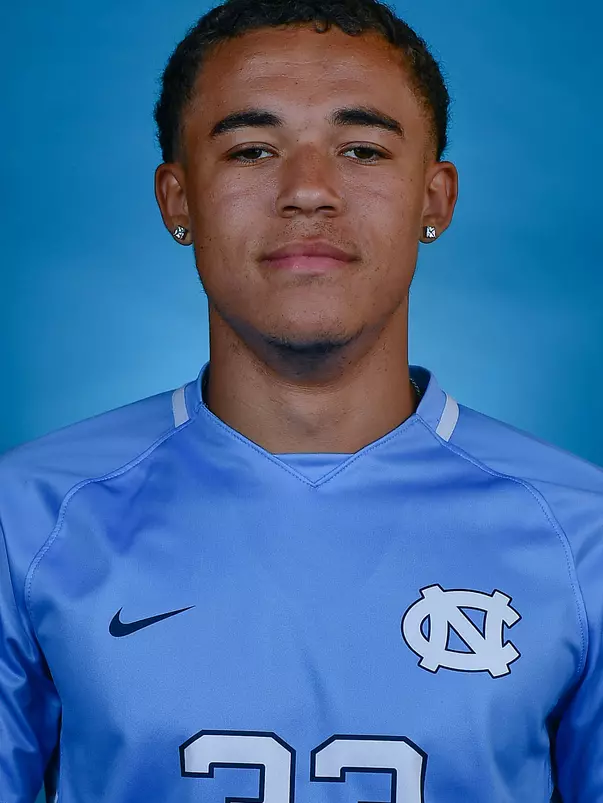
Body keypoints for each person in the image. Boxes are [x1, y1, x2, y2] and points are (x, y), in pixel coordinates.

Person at [1, 0, 602, 800]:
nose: (309, 191)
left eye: (361, 148)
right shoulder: (29, 516)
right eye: (252, 149)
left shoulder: (580, 533)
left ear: (436, 199)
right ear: (178, 200)